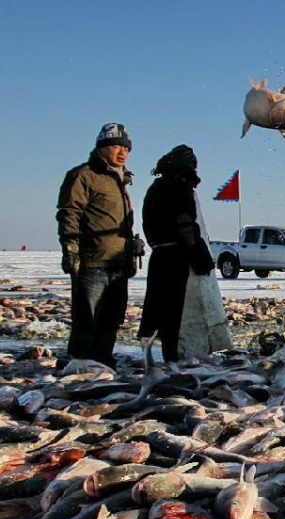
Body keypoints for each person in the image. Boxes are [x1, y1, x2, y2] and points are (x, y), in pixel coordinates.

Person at [56, 123, 140, 366]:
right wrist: (70, 248)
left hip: (118, 262)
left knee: (112, 317)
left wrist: (132, 247)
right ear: (101, 148)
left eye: (126, 148)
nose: (122, 152)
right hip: (92, 261)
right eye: (115, 146)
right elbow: (69, 212)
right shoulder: (84, 175)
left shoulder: (121, 180)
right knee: (88, 318)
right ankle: (81, 363)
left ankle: (102, 361)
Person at [138, 145, 232, 361]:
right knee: (172, 310)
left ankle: (148, 352)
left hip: (159, 253)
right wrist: (198, 253)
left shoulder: (156, 186)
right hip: (176, 255)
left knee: (154, 305)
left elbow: (148, 223)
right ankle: (171, 356)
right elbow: (185, 223)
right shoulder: (180, 186)